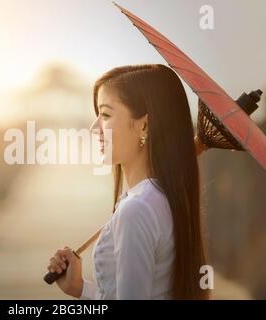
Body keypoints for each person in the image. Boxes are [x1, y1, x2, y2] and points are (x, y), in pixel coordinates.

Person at [47, 64, 209, 299]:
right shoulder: (162, 197)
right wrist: (81, 289)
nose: (95, 128)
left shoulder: (136, 209)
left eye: (106, 115)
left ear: (143, 125)